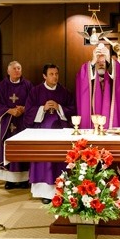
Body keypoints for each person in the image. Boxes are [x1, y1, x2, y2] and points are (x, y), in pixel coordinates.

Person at [75, 42, 120, 203]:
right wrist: (91, 62)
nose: (101, 63)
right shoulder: (86, 74)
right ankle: (91, 193)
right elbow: (81, 81)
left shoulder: (115, 77)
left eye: (103, 60)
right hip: (91, 128)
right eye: (97, 60)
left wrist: (110, 60)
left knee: (115, 160)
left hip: (113, 127)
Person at [23, 63, 76, 204]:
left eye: (56, 74)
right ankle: (45, 193)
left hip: (60, 133)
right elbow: (28, 112)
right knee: (44, 162)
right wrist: (42, 108)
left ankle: (61, 190)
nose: (55, 77)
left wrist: (60, 108)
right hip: (42, 133)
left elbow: (73, 110)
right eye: (51, 74)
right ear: (44, 76)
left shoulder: (64, 92)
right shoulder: (35, 91)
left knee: (59, 162)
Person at [0, 61, 33, 190]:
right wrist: (10, 110)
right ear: (8, 71)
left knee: (23, 148)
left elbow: (33, 101)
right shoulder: (1, 86)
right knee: (7, 148)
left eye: (19, 68)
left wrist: (24, 108)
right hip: (6, 123)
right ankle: (9, 179)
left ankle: (23, 179)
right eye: (14, 69)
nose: (17, 71)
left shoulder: (28, 85)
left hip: (23, 123)